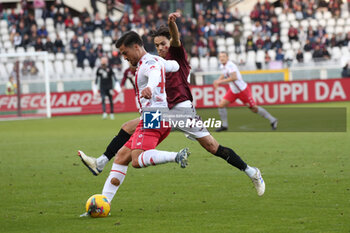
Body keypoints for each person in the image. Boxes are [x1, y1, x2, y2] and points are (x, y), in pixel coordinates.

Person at [78, 12, 265, 198]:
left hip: (181, 112)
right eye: (157, 45)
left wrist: (171, 23)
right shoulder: (157, 62)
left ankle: (252, 172)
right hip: (162, 112)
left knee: (212, 147)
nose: (160, 48)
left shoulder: (177, 55)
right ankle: (101, 163)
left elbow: (175, 38)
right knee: (126, 146)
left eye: (163, 44)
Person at [84, 31, 189, 204]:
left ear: (136, 47)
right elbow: (175, 66)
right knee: (121, 157)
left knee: (137, 160)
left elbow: (154, 73)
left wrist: (150, 86)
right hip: (158, 115)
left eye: (125, 53)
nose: (124, 57)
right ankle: (104, 202)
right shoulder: (155, 60)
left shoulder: (148, 63)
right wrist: (171, 64)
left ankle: (176, 156)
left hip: (154, 115)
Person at [214, 52, 278, 132]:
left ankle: (273, 120)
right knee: (221, 105)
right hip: (233, 91)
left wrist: (219, 82)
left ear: (227, 57)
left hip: (242, 90)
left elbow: (234, 77)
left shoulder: (231, 65)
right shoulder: (222, 66)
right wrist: (218, 80)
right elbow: (224, 74)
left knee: (254, 108)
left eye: (223, 56)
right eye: (220, 56)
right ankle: (224, 125)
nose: (222, 58)